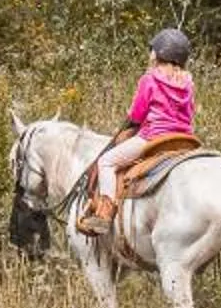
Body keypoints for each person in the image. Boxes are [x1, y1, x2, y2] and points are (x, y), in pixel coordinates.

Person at [79, 28, 199, 236]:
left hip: (154, 137)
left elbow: (137, 115)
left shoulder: (149, 80)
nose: (150, 53)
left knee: (106, 162)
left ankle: (104, 216)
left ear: (159, 53)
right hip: (184, 139)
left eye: (152, 49)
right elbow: (190, 112)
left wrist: (130, 121)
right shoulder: (188, 82)